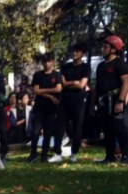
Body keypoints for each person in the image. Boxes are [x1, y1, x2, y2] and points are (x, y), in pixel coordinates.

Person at [50, 41, 90, 163]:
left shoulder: (85, 67)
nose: (74, 53)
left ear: (82, 53)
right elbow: (63, 83)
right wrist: (73, 82)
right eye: (73, 51)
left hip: (78, 101)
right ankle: (57, 153)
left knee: (77, 127)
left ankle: (74, 153)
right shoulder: (66, 66)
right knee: (59, 127)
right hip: (65, 100)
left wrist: (70, 84)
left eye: (77, 51)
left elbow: (82, 85)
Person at [92, 34, 128, 164]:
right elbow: (97, 86)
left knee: (120, 127)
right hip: (103, 101)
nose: (102, 49)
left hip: (116, 99)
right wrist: (93, 104)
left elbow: (126, 82)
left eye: (105, 47)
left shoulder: (119, 63)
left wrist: (121, 101)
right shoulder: (100, 66)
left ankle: (125, 156)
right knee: (107, 129)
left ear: (113, 49)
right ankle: (109, 155)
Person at [27, 53, 62, 162]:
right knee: (35, 132)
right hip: (39, 107)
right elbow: (35, 91)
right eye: (44, 61)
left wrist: (42, 91)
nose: (46, 63)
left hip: (51, 109)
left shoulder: (57, 75)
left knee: (48, 132)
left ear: (52, 62)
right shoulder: (38, 75)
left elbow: (58, 89)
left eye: (48, 61)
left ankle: (44, 154)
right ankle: (33, 153)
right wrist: (50, 96)